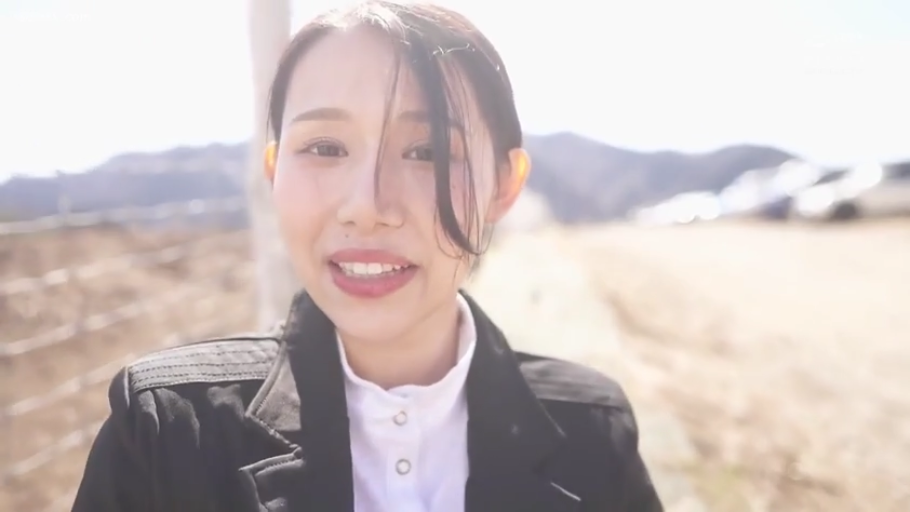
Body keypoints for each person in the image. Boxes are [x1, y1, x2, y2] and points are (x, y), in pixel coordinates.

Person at [71, 1, 663, 511]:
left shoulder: (593, 430)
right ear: (274, 173)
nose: (367, 207)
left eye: (428, 151)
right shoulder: (167, 431)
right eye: (325, 148)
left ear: (504, 186)